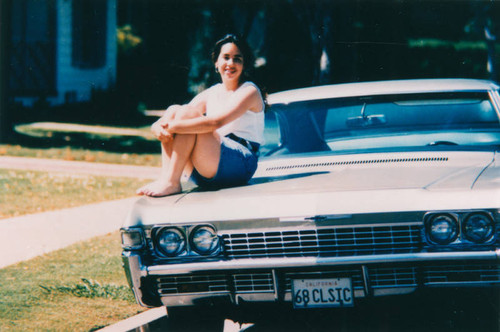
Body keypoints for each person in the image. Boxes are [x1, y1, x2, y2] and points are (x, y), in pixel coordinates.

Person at [137, 34, 265, 197]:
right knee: (174, 109)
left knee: (186, 114)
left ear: (244, 64)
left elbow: (216, 122)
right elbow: (179, 113)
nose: (230, 63)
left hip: (240, 164)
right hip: (209, 167)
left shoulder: (249, 91)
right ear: (216, 63)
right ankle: (167, 178)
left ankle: (171, 182)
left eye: (237, 59)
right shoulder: (214, 91)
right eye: (225, 58)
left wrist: (171, 126)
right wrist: (157, 127)